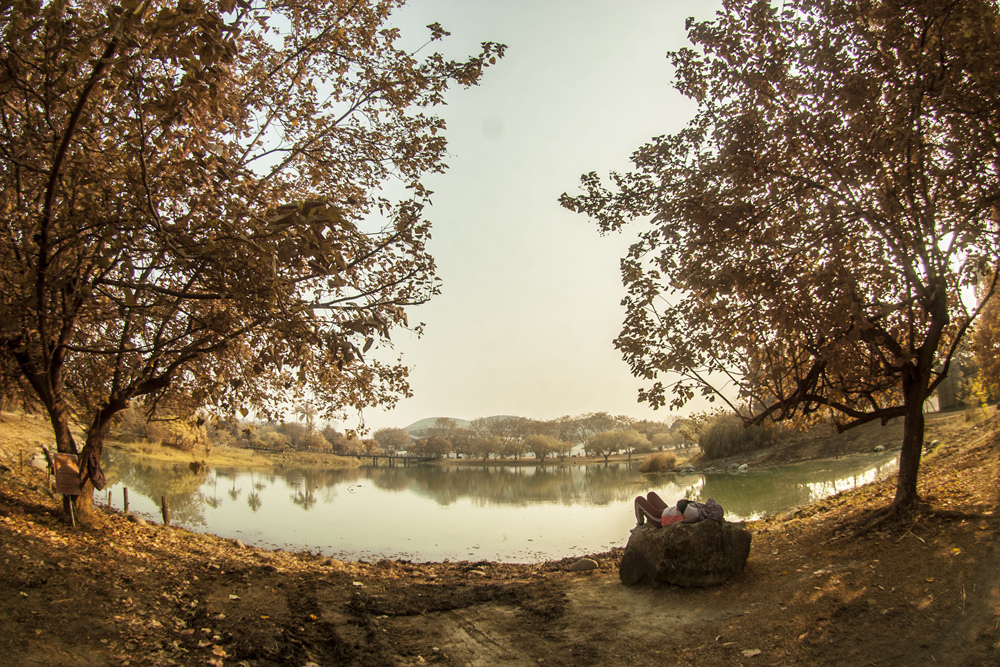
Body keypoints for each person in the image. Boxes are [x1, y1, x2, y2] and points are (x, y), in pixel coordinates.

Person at [634, 493, 724, 528]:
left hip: (660, 518)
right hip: (667, 511)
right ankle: (649, 519)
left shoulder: (696, 514)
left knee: (639, 500)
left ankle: (640, 524)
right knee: (651, 495)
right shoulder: (701, 510)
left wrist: (689, 501)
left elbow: (680, 504)